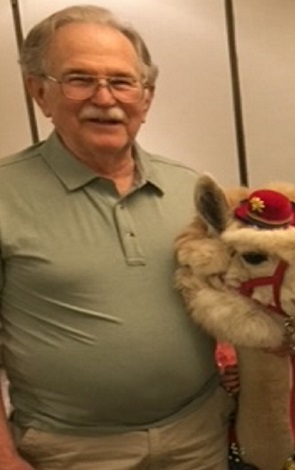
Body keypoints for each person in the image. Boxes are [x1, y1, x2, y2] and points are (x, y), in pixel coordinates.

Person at [0, 5, 232, 469]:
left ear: (145, 98)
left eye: (122, 82)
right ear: (39, 92)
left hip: (198, 436)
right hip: (69, 450)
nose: (104, 98)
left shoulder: (194, 191)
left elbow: (226, 297)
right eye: (79, 79)